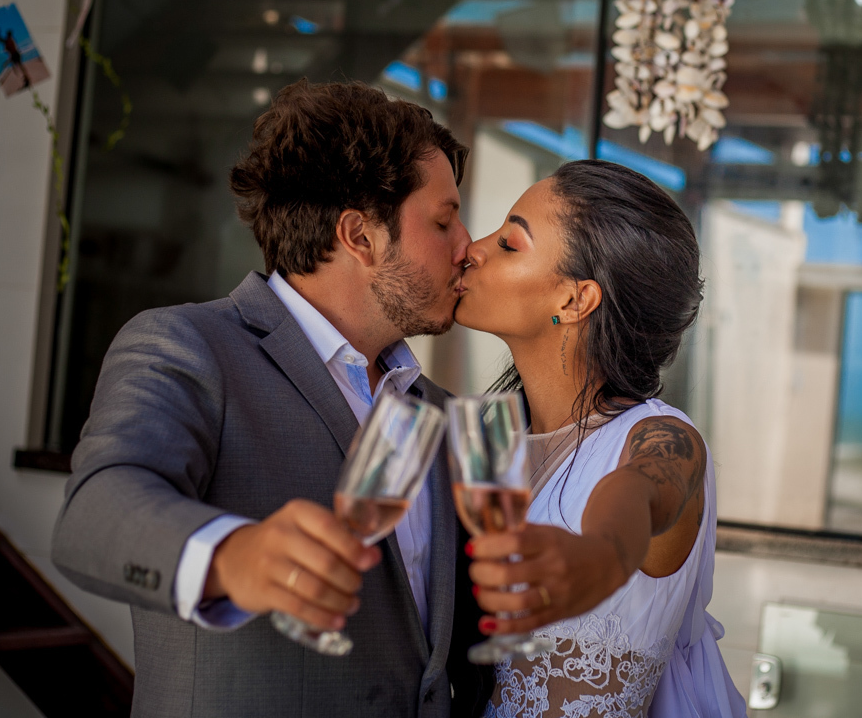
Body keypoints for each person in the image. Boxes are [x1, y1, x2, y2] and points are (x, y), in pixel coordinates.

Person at [51, 79, 492, 717]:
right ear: (360, 236)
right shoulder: (187, 345)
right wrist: (234, 555)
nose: (466, 248)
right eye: (445, 221)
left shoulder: (442, 413)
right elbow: (94, 512)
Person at [453, 160, 746, 717]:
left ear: (574, 301)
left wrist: (600, 557)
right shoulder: (492, 440)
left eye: (509, 243)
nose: (473, 247)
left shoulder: (661, 438)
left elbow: (636, 494)